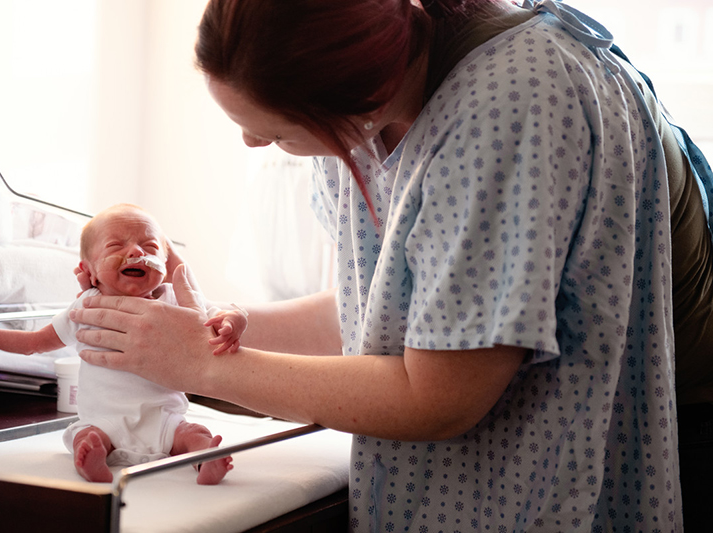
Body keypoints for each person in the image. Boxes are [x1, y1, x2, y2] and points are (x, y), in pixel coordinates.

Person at [66, 1, 713, 529]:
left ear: (357, 95)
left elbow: (442, 394)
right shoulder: (377, 113)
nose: (253, 142)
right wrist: (204, 325)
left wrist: (200, 362)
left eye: (275, 130)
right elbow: (378, 310)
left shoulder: (508, 106)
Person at [0, 203, 246, 484]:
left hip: (165, 419)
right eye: (115, 246)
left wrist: (234, 319)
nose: (135, 251)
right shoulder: (85, 308)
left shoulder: (174, 299)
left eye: (150, 247)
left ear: (165, 266)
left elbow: (214, 314)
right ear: (89, 270)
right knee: (82, 434)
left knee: (194, 433)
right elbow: (34, 342)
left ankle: (205, 457)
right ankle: (93, 456)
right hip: (105, 422)